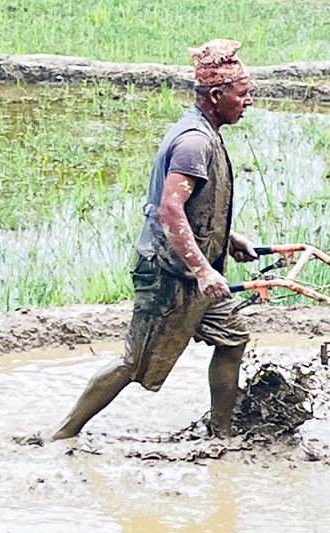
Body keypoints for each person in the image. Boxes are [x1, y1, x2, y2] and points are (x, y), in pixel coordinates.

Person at [46, 38, 258, 441]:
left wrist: (228, 237)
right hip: (169, 276)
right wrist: (202, 269)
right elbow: (169, 210)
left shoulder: (206, 133)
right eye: (242, 94)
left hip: (194, 273)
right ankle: (61, 434)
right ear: (216, 95)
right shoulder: (194, 141)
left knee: (232, 339)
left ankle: (223, 433)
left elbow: (194, 206)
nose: (248, 102)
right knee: (133, 362)